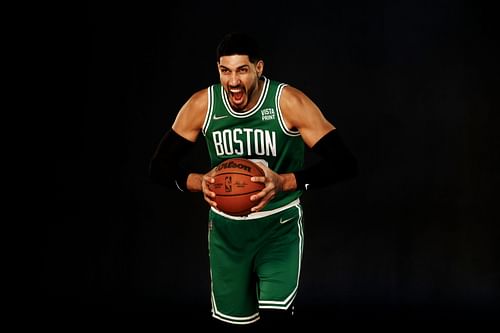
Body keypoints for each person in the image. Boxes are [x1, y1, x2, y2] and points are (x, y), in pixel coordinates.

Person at [150, 32, 358, 326]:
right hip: (226, 234)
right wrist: (200, 181)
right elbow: (158, 166)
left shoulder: (288, 103)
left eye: (242, 70)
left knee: (276, 317)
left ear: (258, 68)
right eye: (225, 71)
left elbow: (345, 163)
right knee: (234, 325)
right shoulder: (203, 106)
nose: (233, 81)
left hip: (278, 228)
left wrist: (284, 182)